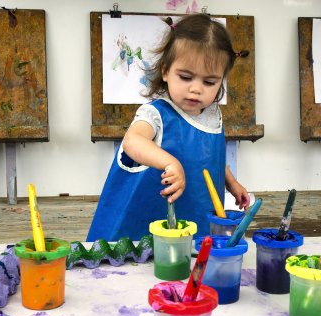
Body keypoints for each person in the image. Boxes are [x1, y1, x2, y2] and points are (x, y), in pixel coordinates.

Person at [87, 13, 250, 242]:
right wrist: (170, 162)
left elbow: (209, 157)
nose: (196, 89)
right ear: (165, 71)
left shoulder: (213, 115)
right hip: (144, 229)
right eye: (185, 77)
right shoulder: (156, 114)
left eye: (209, 82)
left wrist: (231, 182)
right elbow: (132, 141)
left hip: (196, 223)